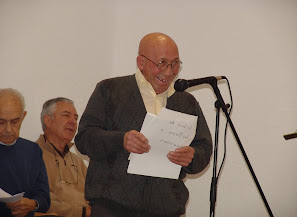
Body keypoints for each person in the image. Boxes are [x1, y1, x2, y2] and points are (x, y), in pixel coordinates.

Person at [75, 32, 213, 217]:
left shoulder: (186, 102)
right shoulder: (109, 90)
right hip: (113, 208)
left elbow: (204, 147)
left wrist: (193, 156)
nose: (169, 71)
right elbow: (84, 139)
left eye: (175, 63)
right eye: (162, 63)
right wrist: (120, 140)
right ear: (141, 62)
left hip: (166, 210)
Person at [36, 97, 91, 217]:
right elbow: (41, 201)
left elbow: (92, 197)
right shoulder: (32, 155)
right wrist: (82, 212)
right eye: (66, 115)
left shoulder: (78, 162)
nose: (73, 121)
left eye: (75, 118)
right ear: (48, 120)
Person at [0, 88, 50, 217]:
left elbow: (44, 198)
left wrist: (32, 204)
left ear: (23, 116)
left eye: (15, 121)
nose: (8, 129)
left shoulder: (33, 150)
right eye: (1, 122)